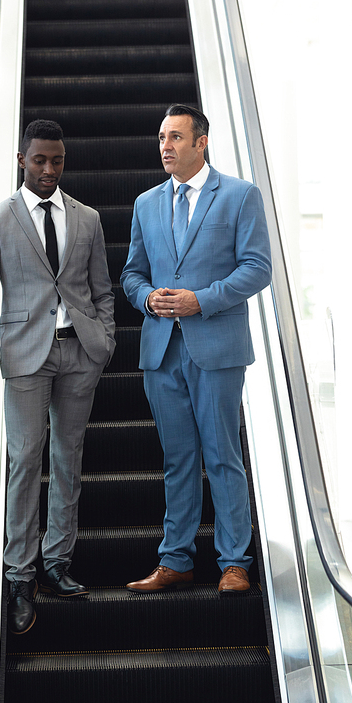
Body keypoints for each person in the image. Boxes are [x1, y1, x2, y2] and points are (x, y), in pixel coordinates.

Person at [0, 119, 115, 633]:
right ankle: (20, 573)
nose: (48, 169)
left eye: (56, 161)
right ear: (22, 160)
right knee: (25, 461)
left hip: (79, 352)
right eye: (39, 160)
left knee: (69, 457)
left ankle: (58, 562)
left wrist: (104, 339)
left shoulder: (86, 218)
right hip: (26, 356)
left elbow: (102, 288)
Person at [121, 104, 271, 595]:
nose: (166, 146)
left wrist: (200, 301)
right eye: (162, 137)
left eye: (176, 137)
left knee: (222, 455)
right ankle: (176, 560)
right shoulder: (146, 203)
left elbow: (257, 268)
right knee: (177, 458)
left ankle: (234, 563)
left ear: (200, 142)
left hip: (217, 348)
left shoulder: (239, 196)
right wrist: (146, 297)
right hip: (162, 350)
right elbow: (132, 273)